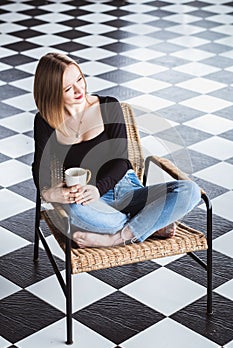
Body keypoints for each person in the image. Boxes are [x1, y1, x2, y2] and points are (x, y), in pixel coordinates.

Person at [32, 52, 201, 248]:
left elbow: (121, 161)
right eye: (68, 88)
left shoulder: (108, 106)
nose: (80, 90)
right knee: (75, 211)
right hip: (87, 201)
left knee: (190, 191)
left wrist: (98, 189)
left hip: (126, 189)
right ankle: (149, 224)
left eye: (80, 79)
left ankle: (115, 238)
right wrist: (48, 194)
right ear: (51, 93)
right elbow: (40, 165)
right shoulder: (44, 121)